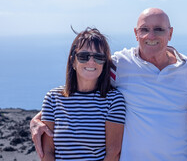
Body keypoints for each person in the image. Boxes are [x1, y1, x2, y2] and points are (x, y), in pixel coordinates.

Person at [31, 8, 187, 160]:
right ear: (136, 33)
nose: (150, 36)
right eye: (144, 29)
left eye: (158, 29)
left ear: (170, 33)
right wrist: (38, 118)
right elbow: (82, 88)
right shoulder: (119, 64)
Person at [40, 27, 126, 161]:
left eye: (99, 57)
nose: (91, 62)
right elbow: (47, 152)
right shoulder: (53, 98)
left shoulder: (114, 100)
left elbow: (113, 153)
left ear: (104, 63)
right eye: (83, 56)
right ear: (73, 61)